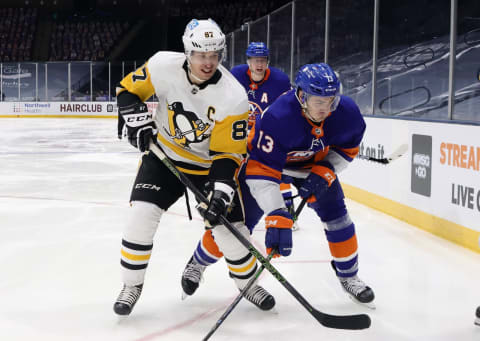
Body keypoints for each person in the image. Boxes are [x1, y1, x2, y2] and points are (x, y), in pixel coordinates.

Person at [113, 18, 275, 316]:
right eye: (202, 55)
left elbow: (228, 153)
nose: (208, 62)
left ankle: (248, 285)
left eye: (214, 55)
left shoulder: (233, 96)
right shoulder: (162, 65)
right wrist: (135, 117)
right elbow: (127, 91)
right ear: (188, 52)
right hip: (164, 157)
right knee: (141, 216)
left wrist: (222, 190)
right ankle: (131, 285)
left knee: (230, 231)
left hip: (209, 166)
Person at [184, 63, 375, 308]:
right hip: (263, 165)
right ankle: (197, 264)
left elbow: (347, 149)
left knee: (338, 217)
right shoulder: (278, 117)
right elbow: (261, 171)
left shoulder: (347, 113)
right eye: (319, 101)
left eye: (331, 101)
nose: (326, 109)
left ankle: (350, 277)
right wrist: (276, 214)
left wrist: (326, 170)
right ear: (302, 96)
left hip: (311, 166)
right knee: (238, 225)